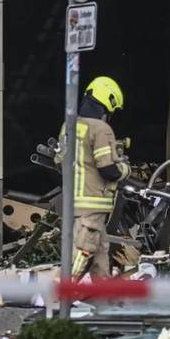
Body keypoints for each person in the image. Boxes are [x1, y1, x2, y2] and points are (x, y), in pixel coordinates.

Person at [56, 76, 131, 281]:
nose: (109, 117)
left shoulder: (68, 126)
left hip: (74, 202)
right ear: (108, 102)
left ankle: (102, 295)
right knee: (84, 250)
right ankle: (61, 290)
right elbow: (108, 170)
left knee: (100, 255)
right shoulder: (100, 129)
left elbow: (60, 162)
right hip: (93, 203)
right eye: (110, 112)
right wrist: (125, 169)